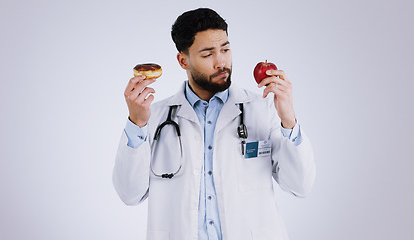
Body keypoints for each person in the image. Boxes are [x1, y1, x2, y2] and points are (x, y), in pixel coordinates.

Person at [113, 8, 316, 240]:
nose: (221, 62)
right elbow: (130, 194)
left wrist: (288, 119)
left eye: (226, 49)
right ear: (183, 61)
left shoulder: (263, 109)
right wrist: (136, 123)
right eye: (208, 54)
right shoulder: (154, 116)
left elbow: (300, 186)